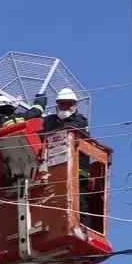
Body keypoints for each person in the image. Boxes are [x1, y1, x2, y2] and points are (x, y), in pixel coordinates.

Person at [43, 88, 93, 228]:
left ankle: (82, 228)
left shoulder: (80, 121)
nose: (65, 107)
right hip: (54, 168)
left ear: (74, 105)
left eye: (68, 104)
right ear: (57, 105)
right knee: (53, 200)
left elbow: (69, 131)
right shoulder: (49, 121)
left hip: (78, 170)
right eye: (62, 104)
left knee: (79, 201)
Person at [0, 93, 47, 165]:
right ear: (11, 107)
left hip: (6, 164)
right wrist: (41, 99)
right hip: (29, 153)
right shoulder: (17, 118)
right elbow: (36, 111)